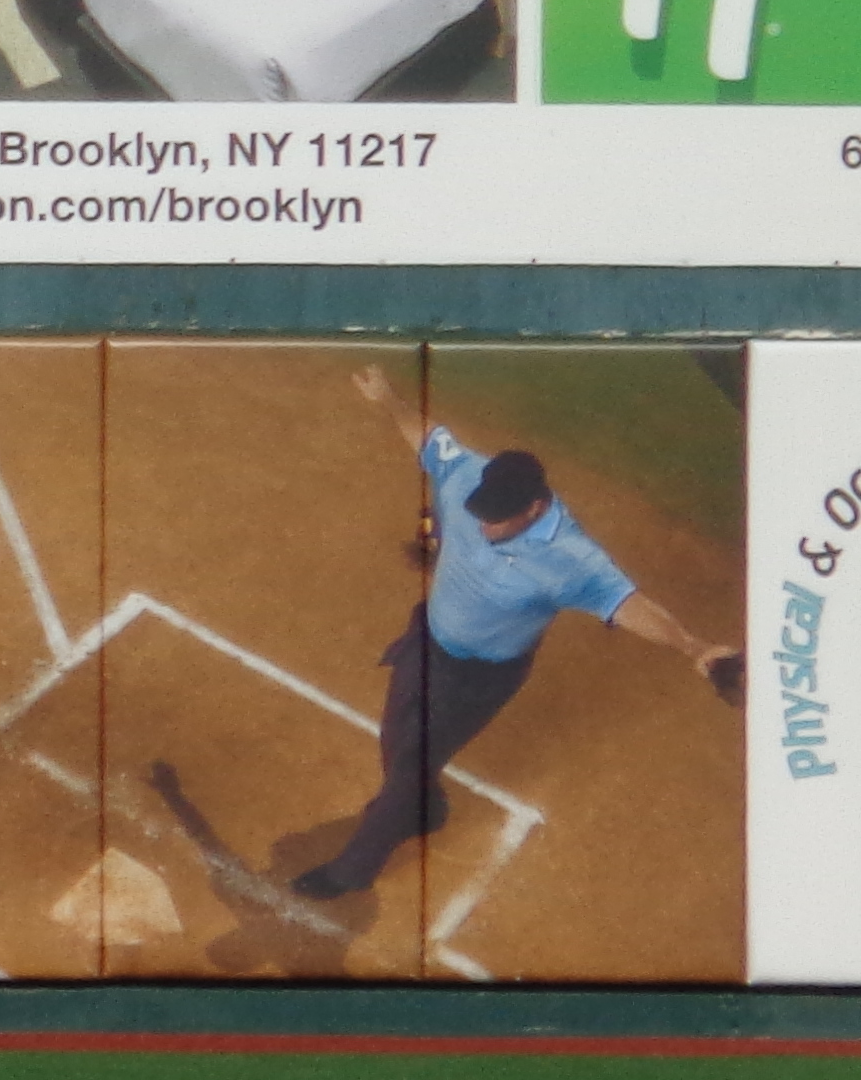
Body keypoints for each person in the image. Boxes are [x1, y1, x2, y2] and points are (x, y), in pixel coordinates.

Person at [276, 367, 738, 907]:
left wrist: (696, 648)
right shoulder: (470, 477)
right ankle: (425, 806)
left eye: (497, 521)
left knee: (406, 768)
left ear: (535, 508)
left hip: (477, 677)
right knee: (396, 741)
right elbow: (428, 438)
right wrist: (389, 400)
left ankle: (355, 869)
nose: (484, 527)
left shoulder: (572, 560)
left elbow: (631, 605)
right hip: (426, 637)